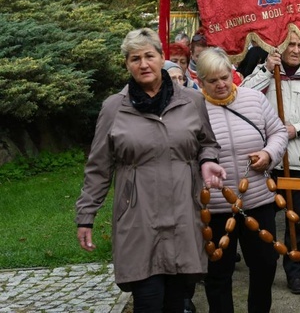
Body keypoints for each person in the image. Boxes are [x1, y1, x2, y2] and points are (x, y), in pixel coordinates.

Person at [75, 28, 225, 312]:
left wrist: (207, 161)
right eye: (135, 58)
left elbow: (208, 143)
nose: (143, 64)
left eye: (149, 56)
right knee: (148, 299)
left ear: (161, 57)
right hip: (138, 216)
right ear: (127, 64)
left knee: (178, 300)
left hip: (184, 211)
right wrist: (86, 216)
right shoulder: (113, 108)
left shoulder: (191, 101)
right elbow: (98, 167)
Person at [197, 48, 288, 313]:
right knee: (218, 273)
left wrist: (268, 153)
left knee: (265, 265)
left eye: (224, 77)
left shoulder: (253, 100)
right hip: (214, 204)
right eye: (212, 81)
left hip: (257, 199)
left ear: (232, 73)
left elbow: (279, 133)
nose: (221, 84)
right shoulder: (193, 108)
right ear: (201, 81)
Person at [241, 31, 300, 295]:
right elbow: (241, 97)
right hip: (266, 161)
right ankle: (264, 267)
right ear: (277, 46)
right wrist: (267, 70)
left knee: (298, 221)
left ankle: (295, 271)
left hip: (298, 161)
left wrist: (296, 129)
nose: (296, 49)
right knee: (261, 218)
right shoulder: (263, 73)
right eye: (290, 43)